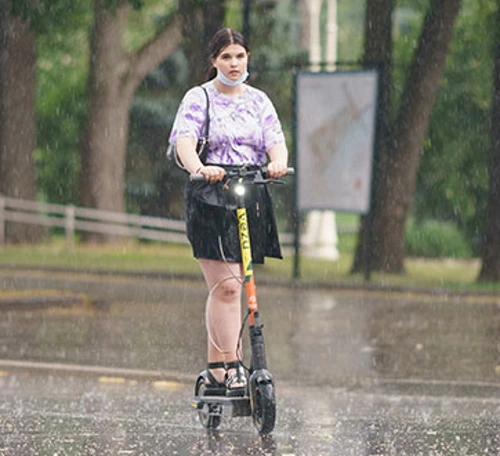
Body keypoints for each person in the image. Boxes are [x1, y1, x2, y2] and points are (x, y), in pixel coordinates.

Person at [168, 28, 288, 396]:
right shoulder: (199, 98)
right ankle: (229, 366)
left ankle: (218, 366)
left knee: (237, 286)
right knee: (227, 287)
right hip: (210, 196)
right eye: (226, 57)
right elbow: (183, 141)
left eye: (239, 56)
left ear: (248, 57)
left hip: (249, 194)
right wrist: (199, 168)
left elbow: (275, 141)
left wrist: (278, 164)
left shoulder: (259, 101)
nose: (234, 64)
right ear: (213, 62)